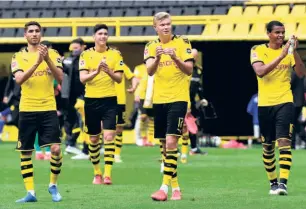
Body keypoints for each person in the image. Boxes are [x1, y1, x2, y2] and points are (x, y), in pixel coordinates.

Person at [250, 20, 306, 195]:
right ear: (268, 34)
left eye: (283, 32)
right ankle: (273, 183)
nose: (281, 35)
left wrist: (294, 52)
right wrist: (281, 56)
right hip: (265, 103)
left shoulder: (289, 53)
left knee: (284, 142)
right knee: (268, 147)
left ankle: (283, 183)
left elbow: (301, 73)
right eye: (277, 32)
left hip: (285, 101)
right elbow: (260, 71)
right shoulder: (257, 50)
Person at [144, 12, 194, 201]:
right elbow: (149, 71)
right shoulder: (150, 46)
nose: (166, 27)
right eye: (162, 24)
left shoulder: (183, 43)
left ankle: (163, 188)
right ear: (155, 27)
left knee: (172, 142)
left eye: (168, 24)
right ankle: (176, 188)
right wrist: (157, 58)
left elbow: (189, 69)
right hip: (159, 100)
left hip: (178, 98)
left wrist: (175, 58)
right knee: (165, 147)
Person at [12, 21, 64, 203]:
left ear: (41, 35)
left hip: (48, 108)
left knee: (56, 149)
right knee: (26, 152)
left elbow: (60, 78)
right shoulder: (18, 57)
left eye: (37, 31)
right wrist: (36, 63)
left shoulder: (54, 54)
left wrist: (47, 59)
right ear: (25, 35)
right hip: (27, 109)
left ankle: (53, 185)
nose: (34, 34)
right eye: (31, 31)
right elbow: (19, 79)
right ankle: (31, 193)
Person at [79, 24, 123, 185]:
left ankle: (108, 174)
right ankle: (97, 172)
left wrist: (108, 71)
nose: (103, 36)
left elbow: (119, 78)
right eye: (100, 33)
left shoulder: (115, 54)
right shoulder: (85, 55)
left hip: (110, 100)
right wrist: (96, 72)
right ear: (94, 37)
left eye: (105, 34)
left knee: (109, 136)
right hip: (91, 100)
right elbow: (82, 78)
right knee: (93, 139)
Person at [62, 38, 86, 156]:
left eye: (76, 48)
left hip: (84, 94)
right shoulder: (68, 60)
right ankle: (70, 144)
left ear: (83, 47)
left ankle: (73, 143)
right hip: (70, 95)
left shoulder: (87, 58)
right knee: (71, 119)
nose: (74, 50)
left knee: (81, 119)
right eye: (73, 48)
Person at [114, 62, 138, 163]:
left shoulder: (121, 65)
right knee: (101, 127)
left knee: (119, 128)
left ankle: (116, 154)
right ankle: (97, 150)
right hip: (102, 100)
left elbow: (133, 78)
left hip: (119, 101)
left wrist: (133, 87)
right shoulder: (99, 64)